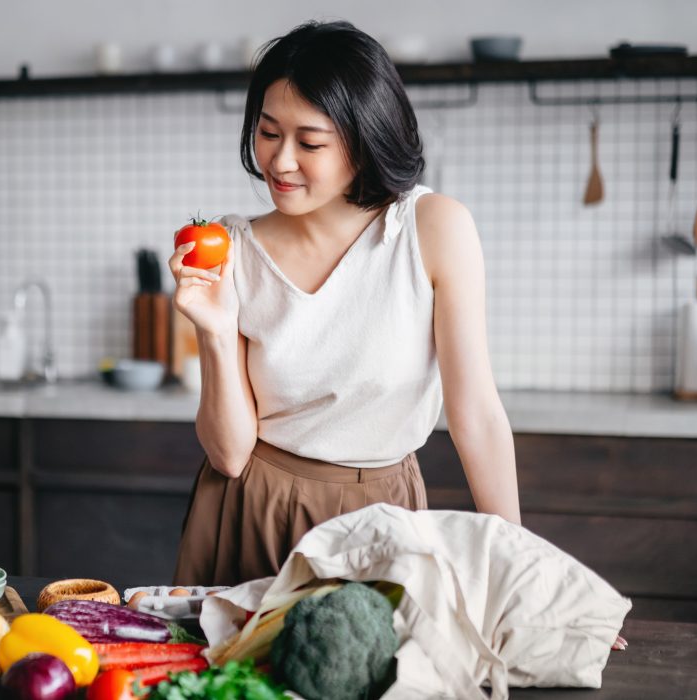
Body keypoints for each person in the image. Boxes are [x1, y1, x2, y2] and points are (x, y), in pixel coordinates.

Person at [167, 20, 522, 589]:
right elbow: (230, 455)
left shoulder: (431, 229)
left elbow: (475, 414)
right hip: (251, 508)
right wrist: (214, 329)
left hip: (383, 513)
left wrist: (519, 572)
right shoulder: (229, 248)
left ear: (364, 140)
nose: (280, 162)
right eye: (267, 132)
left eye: (309, 142)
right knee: (233, 678)